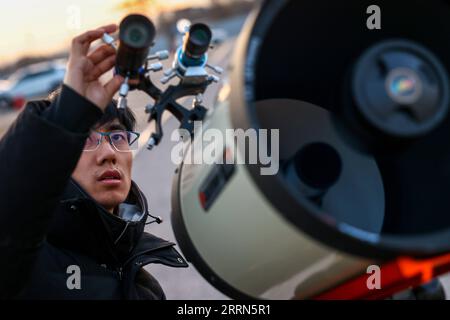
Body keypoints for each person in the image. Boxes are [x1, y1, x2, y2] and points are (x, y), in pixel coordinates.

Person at [0, 24, 188, 299]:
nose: (108, 153)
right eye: (85, 140)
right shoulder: (26, 261)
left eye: (117, 136)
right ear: (60, 157)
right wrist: (68, 111)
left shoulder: (146, 288)